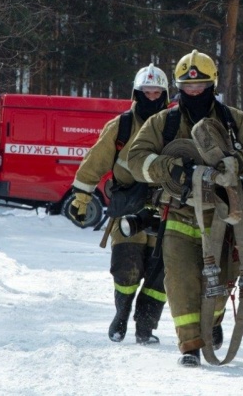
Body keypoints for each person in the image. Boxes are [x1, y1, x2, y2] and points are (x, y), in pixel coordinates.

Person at [127, 50, 243, 367]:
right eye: (187, 87)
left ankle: (212, 321)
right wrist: (170, 169)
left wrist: (240, 162)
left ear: (212, 84)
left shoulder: (235, 121)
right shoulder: (163, 122)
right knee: (179, 282)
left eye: (200, 86)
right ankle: (190, 346)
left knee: (218, 288)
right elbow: (136, 161)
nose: (193, 92)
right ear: (179, 87)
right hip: (178, 214)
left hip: (224, 218)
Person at [68, 64, 170, 344]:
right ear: (137, 93)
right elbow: (95, 160)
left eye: (157, 92)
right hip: (128, 204)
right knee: (127, 266)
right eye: (146, 92)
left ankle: (145, 328)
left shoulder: (175, 125)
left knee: (159, 272)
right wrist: (81, 196)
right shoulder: (122, 125)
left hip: (167, 207)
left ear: (165, 94)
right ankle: (122, 314)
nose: (152, 97)